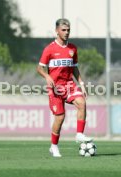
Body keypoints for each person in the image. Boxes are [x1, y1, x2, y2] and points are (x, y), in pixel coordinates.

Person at [36, 18, 93, 157]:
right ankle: (54, 146)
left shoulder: (73, 48)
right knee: (60, 118)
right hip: (55, 87)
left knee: (82, 102)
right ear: (57, 31)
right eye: (64, 30)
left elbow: (74, 68)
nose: (67, 33)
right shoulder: (49, 49)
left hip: (68, 84)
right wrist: (47, 77)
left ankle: (79, 134)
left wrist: (82, 84)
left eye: (68, 30)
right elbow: (39, 68)